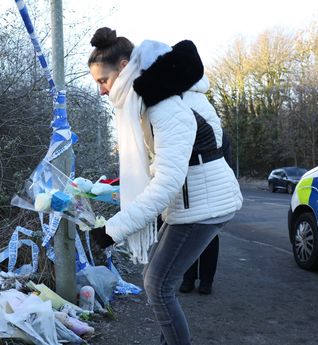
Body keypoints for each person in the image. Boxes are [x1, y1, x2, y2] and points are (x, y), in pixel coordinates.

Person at [86, 27, 243, 345]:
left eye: (103, 81)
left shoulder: (163, 103)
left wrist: (110, 230)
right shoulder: (153, 97)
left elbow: (167, 182)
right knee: (157, 281)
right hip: (193, 202)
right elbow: (160, 167)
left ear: (123, 66)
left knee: (158, 284)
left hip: (202, 204)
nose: (101, 91)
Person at [179, 132, 233, 295]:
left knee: (208, 236)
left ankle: (204, 280)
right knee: (192, 234)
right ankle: (192, 279)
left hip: (210, 187)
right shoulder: (188, 127)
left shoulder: (218, 133)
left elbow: (226, 163)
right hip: (190, 188)